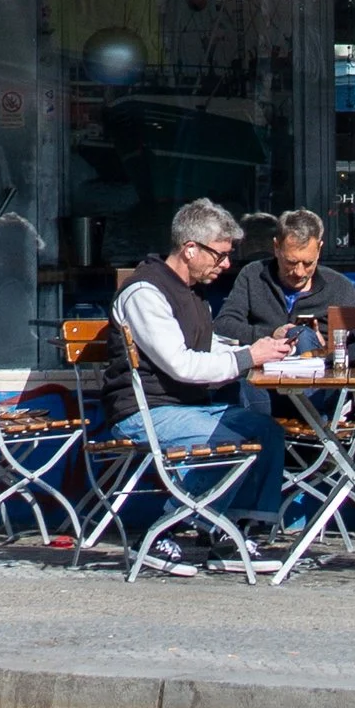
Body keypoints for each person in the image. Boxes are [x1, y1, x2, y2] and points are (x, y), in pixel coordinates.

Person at [112, 194, 298, 528]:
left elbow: (208, 347)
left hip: (185, 408)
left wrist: (262, 348)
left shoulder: (193, 291)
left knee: (266, 431)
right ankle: (167, 530)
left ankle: (237, 531)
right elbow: (181, 365)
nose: (227, 264)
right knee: (228, 444)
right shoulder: (145, 292)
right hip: (144, 412)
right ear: (190, 248)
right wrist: (248, 356)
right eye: (221, 254)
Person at [214, 207, 355, 344]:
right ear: (276, 248)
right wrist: (271, 335)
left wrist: (328, 349)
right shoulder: (253, 275)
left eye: (308, 263)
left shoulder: (340, 287)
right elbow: (224, 325)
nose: (299, 272)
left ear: (319, 249)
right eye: (291, 262)